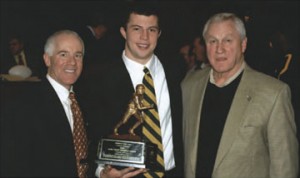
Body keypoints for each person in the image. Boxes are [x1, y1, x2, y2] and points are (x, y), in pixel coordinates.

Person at [181, 12, 298, 178]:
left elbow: (285, 170)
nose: (219, 49)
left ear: (243, 44)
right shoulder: (189, 86)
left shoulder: (273, 94)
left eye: (228, 40)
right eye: (213, 41)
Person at [83, 2, 183, 178]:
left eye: (151, 30)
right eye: (137, 29)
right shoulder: (99, 80)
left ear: (159, 34)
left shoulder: (177, 72)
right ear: (124, 32)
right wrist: (101, 172)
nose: (144, 37)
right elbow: (89, 135)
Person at [0, 30, 95, 177]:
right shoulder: (23, 105)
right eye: (63, 54)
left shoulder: (87, 101)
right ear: (47, 59)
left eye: (78, 55)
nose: (72, 62)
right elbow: (13, 165)